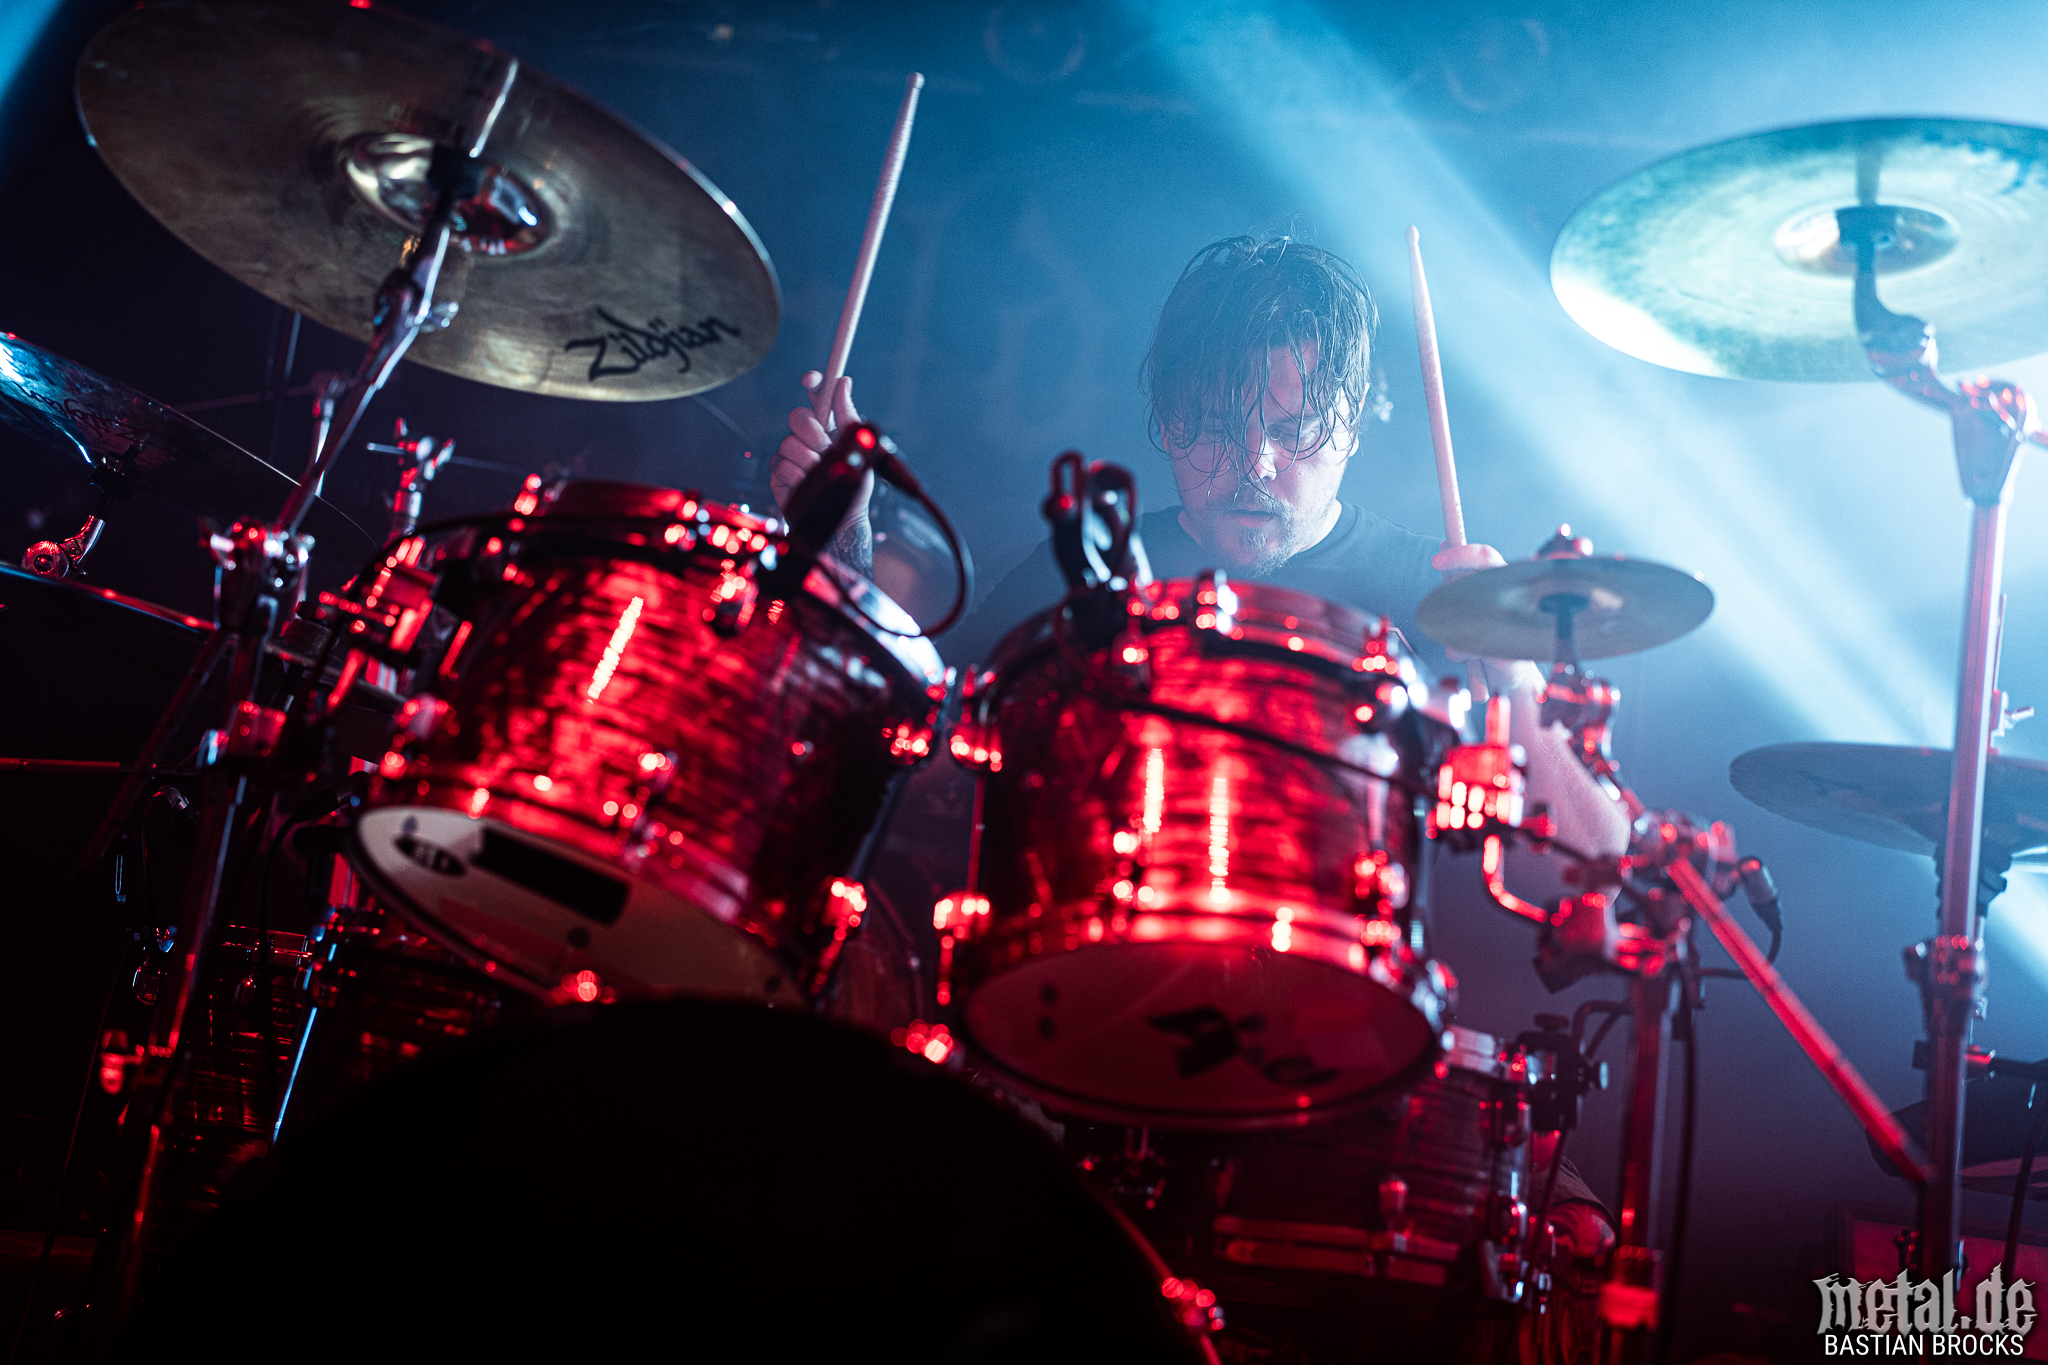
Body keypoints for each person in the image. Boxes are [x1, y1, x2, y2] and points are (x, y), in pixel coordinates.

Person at [774, 234, 1631, 861]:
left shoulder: (1438, 592)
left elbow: (1592, 855)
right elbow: (914, 749)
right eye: (1218, 428)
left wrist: (1514, 677)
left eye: (1292, 431)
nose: (1254, 464)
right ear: (1167, 419)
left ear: (1354, 428)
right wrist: (843, 548)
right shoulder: (1090, 575)